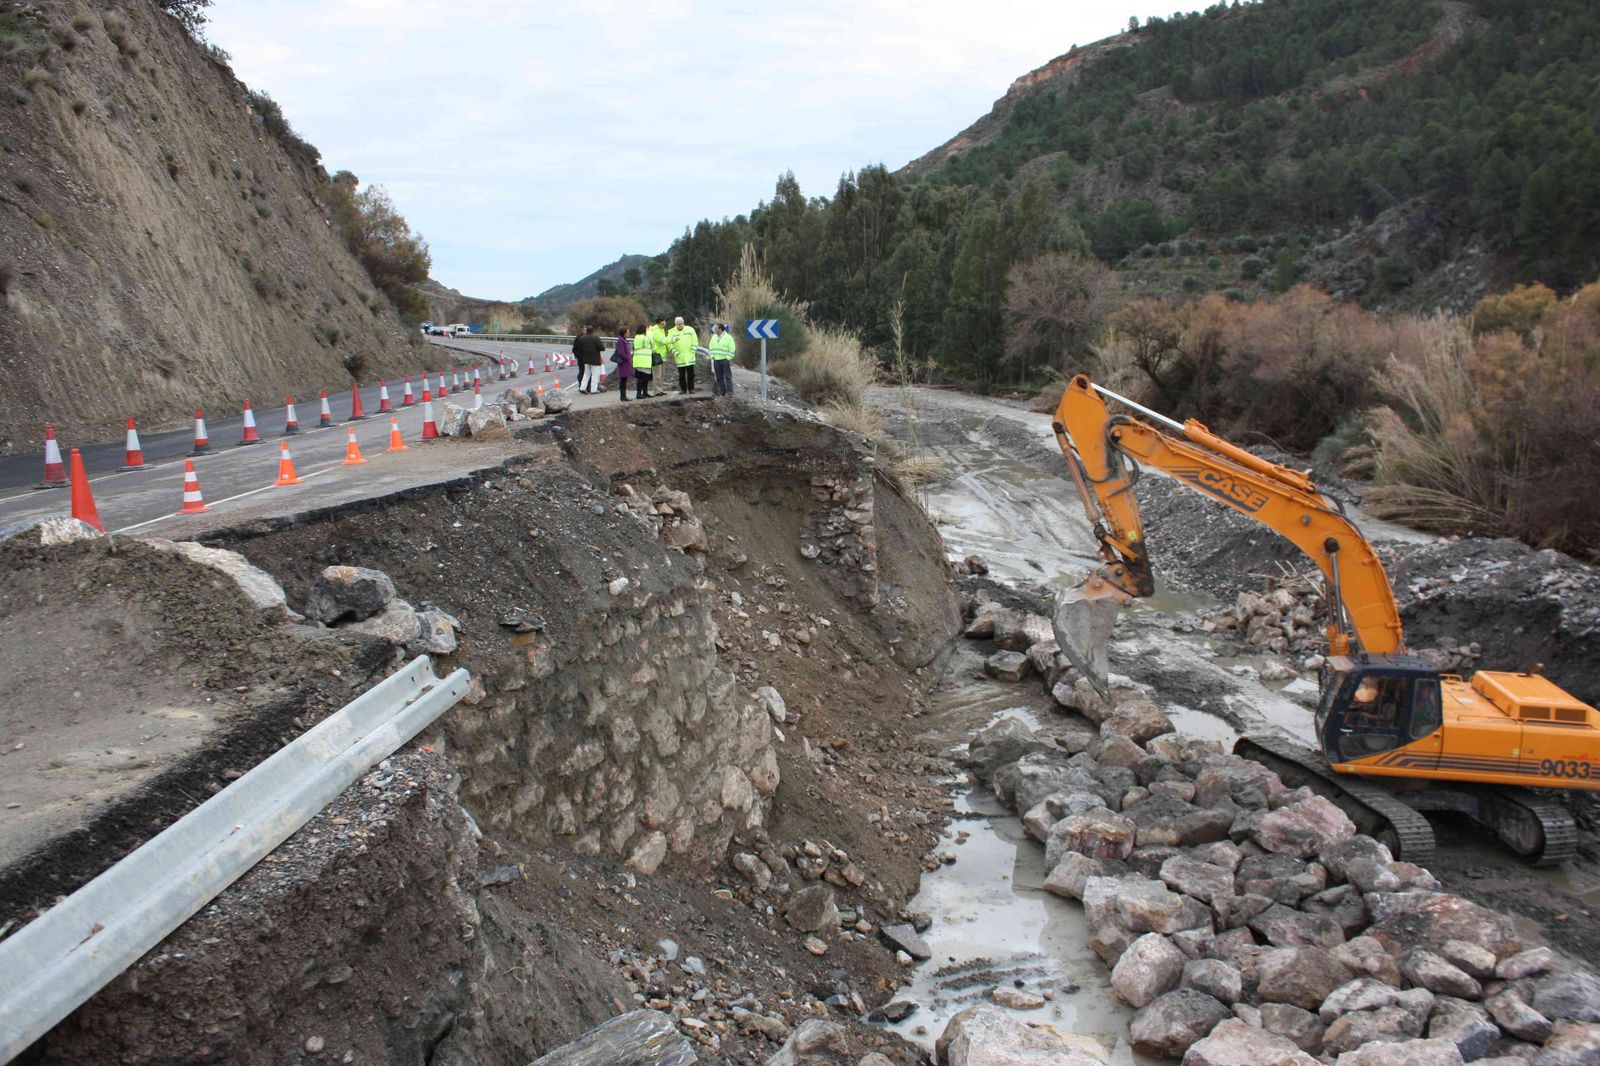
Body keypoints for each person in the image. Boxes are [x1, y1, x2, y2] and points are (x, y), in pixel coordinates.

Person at [668, 315, 699, 394]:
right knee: (681, 375)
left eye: (681, 323)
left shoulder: (690, 329)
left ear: (683, 323)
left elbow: (695, 340)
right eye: (678, 324)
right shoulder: (671, 331)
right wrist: (674, 351)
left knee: (691, 374)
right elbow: (669, 343)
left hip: (690, 356)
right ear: (675, 324)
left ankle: (691, 389)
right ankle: (683, 389)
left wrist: (693, 349)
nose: (680, 325)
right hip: (679, 356)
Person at [574, 325, 605, 393]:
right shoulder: (596, 338)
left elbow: (579, 349)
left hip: (585, 359)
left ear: (586, 331)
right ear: (593, 331)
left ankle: (582, 388)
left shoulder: (581, 339)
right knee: (594, 375)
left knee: (586, 374)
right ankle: (593, 389)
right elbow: (602, 348)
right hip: (595, 359)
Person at [708, 322, 736, 397]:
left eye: (716, 328)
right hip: (716, 360)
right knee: (719, 377)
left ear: (720, 329)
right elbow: (710, 346)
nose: (714, 330)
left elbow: (732, 348)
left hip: (724, 360)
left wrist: (728, 358)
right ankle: (722, 392)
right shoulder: (714, 337)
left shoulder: (728, 337)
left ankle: (730, 392)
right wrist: (712, 355)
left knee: (727, 376)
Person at [631, 324, 654, 398]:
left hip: (637, 360)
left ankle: (641, 393)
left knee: (640, 378)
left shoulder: (636, 337)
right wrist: (650, 332)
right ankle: (642, 393)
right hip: (645, 360)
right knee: (644, 378)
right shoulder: (646, 338)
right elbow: (652, 344)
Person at [612, 331, 635, 401]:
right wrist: (627, 357)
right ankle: (623, 396)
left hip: (625, 363)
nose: (629, 333)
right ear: (624, 333)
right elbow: (621, 352)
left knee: (624, 379)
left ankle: (623, 395)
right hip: (623, 363)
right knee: (623, 380)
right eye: (628, 332)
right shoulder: (621, 341)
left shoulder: (623, 340)